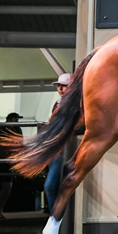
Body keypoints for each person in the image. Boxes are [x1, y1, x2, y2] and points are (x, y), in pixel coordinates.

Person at [0, 112, 24, 219]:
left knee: (5, 186)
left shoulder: (17, 129)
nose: (17, 121)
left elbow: (20, 143)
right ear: (9, 119)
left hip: (7, 160)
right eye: (15, 119)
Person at [45, 74, 70, 214]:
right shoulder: (58, 103)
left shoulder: (74, 104)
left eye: (64, 86)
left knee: (50, 186)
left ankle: (55, 221)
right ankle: (55, 221)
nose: (60, 89)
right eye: (59, 86)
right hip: (56, 147)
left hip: (62, 147)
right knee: (52, 186)